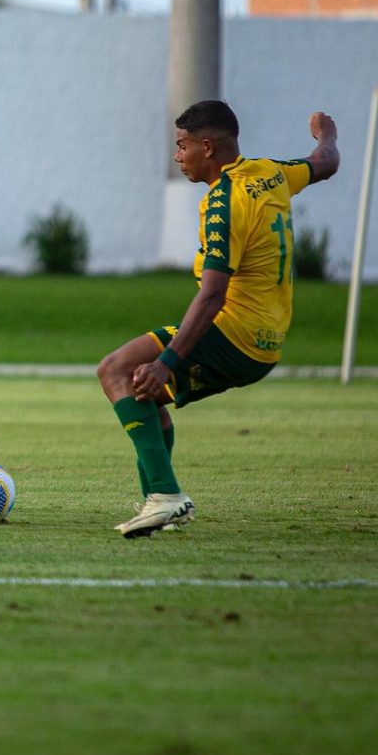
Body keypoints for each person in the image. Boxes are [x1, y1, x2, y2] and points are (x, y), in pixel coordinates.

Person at [97, 100, 339, 539]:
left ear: (206, 146)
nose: (177, 155)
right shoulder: (272, 173)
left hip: (234, 331)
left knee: (116, 370)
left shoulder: (223, 201)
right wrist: (326, 134)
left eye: (181, 145)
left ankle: (167, 497)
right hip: (267, 342)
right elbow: (325, 162)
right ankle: (159, 506)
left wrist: (166, 361)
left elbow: (212, 295)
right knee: (144, 393)